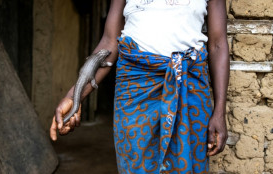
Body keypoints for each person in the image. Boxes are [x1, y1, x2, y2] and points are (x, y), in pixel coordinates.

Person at [50, 0, 229, 173]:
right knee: (136, 164)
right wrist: (73, 96)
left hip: (189, 90)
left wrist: (220, 111)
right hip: (135, 91)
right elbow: (110, 41)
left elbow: (218, 45)